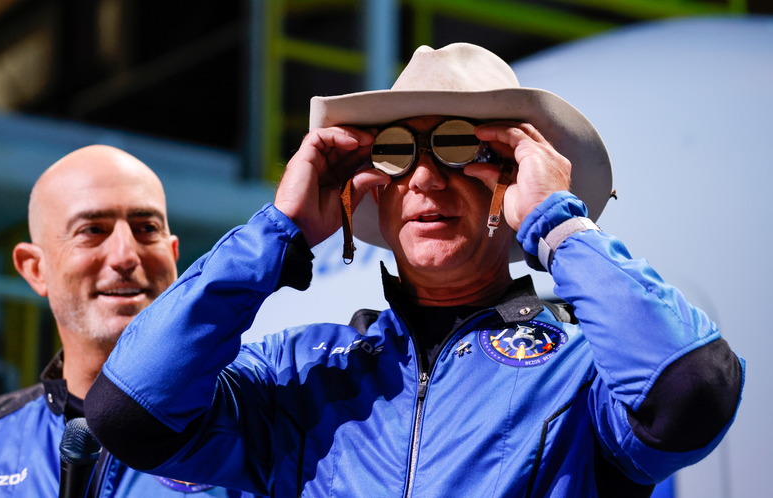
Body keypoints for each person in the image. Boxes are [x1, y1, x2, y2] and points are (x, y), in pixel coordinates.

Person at [85, 43, 744, 497]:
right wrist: (277, 231)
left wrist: (556, 224)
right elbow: (130, 410)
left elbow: (693, 392)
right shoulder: (298, 376)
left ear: (513, 176)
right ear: (375, 189)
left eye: (459, 146)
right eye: (396, 153)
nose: (425, 178)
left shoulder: (584, 376)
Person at [0, 145, 250, 496]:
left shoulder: (258, 428)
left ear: (173, 255)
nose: (126, 256)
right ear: (36, 269)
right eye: (92, 230)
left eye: (146, 228)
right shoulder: (0, 439)